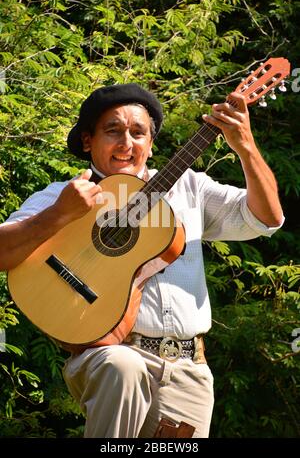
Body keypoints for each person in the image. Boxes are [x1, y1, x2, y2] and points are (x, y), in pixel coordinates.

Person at [0, 83, 284, 438]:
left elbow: (267, 218)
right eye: (113, 130)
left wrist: (245, 148)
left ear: (151, 144)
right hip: (109, 354)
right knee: (123, 365)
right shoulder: (66, 195)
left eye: (138, 133)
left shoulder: (189, 189)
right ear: (88, 140)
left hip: (186, 369)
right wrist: (59, 215)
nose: (126, 143)